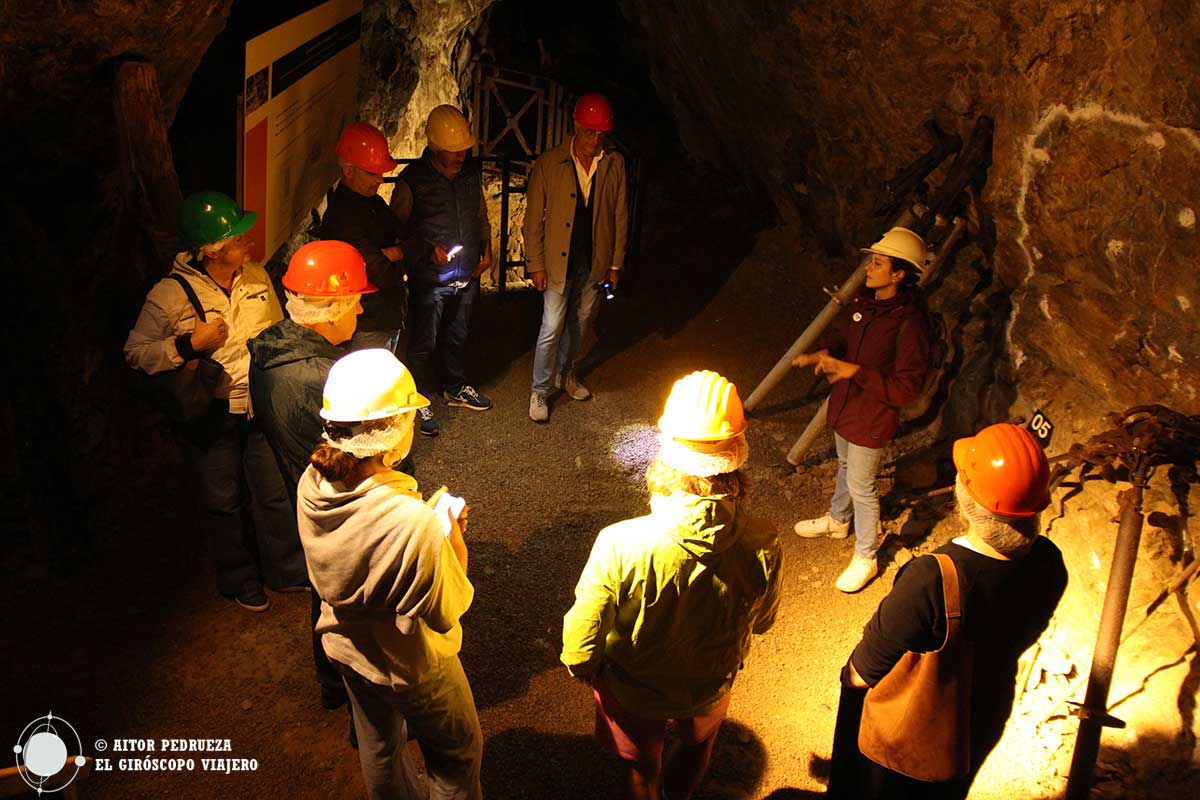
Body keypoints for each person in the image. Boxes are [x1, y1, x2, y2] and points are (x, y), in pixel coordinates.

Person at [561, 370, 783, 800]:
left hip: (634, 690)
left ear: (667, 451)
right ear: (737, 453)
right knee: (698, 747)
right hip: (709, 682)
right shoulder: (764, 540)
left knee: (642, 770)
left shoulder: (622, 542)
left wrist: (582, 666)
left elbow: (581, 637)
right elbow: (763, 622)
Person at [827, 422, 1067, 799]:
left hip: (914, 737)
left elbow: (861, 673)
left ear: (965, 497)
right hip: (980, 716)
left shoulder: (933, 579)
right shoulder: (1051, 563)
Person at [297, 349, 481, 800]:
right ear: (393, 429)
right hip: (409, 664)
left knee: (379, 747)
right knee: (456, 756)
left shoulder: (312, 482)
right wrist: (451, 535)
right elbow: (449, 608)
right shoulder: (410, 520)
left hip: (347, 648)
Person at [124, 190, 306, 612]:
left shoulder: (257, 278)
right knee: (221, 500)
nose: (248, 241)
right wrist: (188, 344)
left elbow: (276, 333)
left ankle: (286, 570)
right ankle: (239, 578)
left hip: (258, 405)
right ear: (212, 250)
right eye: (238, 238)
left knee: (273, 492)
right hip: (209, 413)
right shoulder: (169, 295)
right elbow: (135, 352)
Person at [246, 239, 371, 712]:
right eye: (356, 302)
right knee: (343, 595)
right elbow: (360, 454)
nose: (360, 311)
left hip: (301, 489)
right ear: (332, 310)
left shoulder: (272, 349)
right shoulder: (319, 375)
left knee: (324, 588)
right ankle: (347, 687)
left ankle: (332, 685)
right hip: (338, 504)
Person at [791, 226, 932, 592]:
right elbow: (845, 338)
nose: (869, 267)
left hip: (872, 416)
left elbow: (906, 390)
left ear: (899, 274)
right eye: (872, 260)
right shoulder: (865, 305)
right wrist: (825, 351)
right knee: (843, 466)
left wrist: (854, 371)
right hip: (846, 407)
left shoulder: (910, 324)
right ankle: (838, 520)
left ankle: (866, 556)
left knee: (862, 485)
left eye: (878, 262)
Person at [524, 92, 628, 423]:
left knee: (581, 322)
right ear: (576, 127)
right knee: (552, 324)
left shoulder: (614, 163)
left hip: (592, 259)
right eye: (588, 132)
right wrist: (536, 264)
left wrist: (615, 264)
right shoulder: (549, 163)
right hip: (558, 260)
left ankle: (567, 375)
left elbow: (620, 215)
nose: (594, 141)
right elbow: (532, 220)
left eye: (600, 134)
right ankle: (540, 390)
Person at [390, 104, 494, 437]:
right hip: (430, 281)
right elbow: (398, 229)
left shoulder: (469, 174)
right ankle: (417, 399)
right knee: (423, 342)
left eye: (464, 149)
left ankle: (454, 387)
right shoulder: (412, 182)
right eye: (454, 150)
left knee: (457, 335)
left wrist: (487, 248)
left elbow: (479, 214)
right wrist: (424, 249)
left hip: (465, 274)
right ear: (435, 148)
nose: (461, 155)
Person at [321, 122, 410, 355]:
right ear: (348, 171)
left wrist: (394, 253)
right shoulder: (341, 218)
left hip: (385, 317)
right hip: (366, 325)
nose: (380, 180)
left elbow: (408, 241)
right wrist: (396, 253)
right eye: (372, 173)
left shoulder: (374, 203)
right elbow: (378, 272)